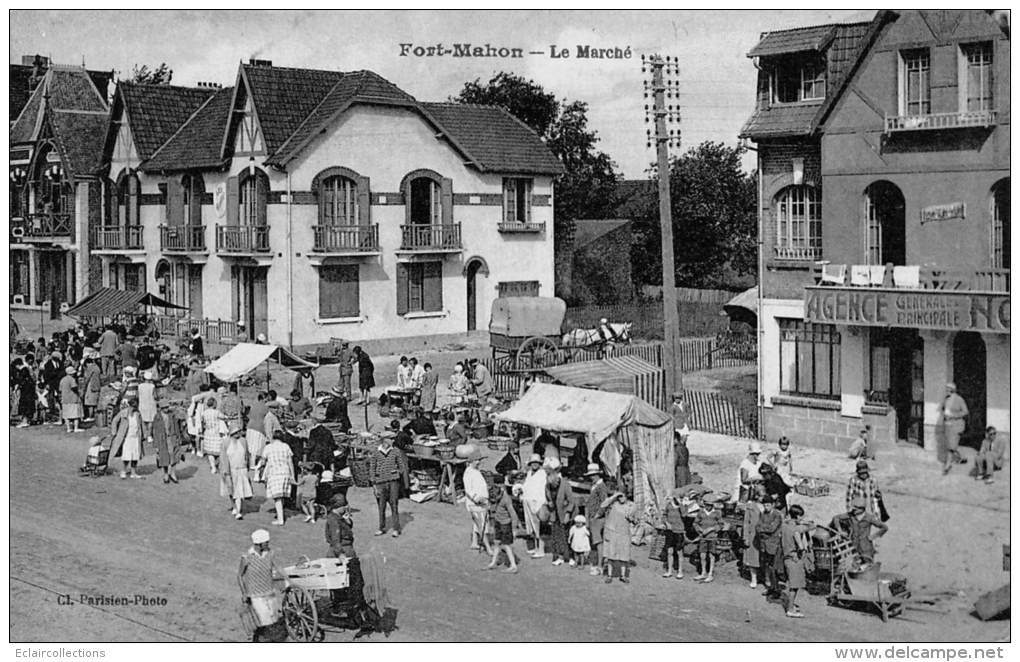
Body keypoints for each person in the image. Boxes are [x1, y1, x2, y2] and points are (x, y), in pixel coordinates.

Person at [237, 529, 287, 642]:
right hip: (255, 595)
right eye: (266, 542)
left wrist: (287, 580)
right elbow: (240, 575)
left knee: (273, 619)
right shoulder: (246, 557)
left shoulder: (270, 553)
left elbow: (278, 567)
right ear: (259, 544)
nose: (268, 544)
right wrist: (244, 593)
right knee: (263, 620)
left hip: (270, 592)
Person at [324, 494, 365, 618]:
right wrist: (341, 555)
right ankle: (339, 608)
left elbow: (346, 530)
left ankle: (349, 605)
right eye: (344, 506)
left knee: (349, 581)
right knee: (340, 583)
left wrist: (348, 521)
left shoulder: (339, 517)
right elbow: (336, 540)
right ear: (338, 506)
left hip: (347, 551)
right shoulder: (333, 520)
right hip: (340, 553)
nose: (346, 508)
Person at [369, 431, 409, 537]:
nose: (393, 441)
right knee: (381, 506)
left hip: (393, 482)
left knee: (394, 504)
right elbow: (372, 468)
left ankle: (396, 528)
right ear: (385, 440)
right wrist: (374, 484)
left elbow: (401, 466)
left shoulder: (395, 451)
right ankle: (381, 527)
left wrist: (395, 473)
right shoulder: (376, 452)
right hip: (380, 483)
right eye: (391, 439)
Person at [830, 496, 888, 565]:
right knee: (855, 567)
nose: (853, 511)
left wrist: (873, 536)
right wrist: (840, 530)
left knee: (868, 566)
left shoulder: (869, 518)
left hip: (866, 548)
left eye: (855, 510)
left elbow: (884, 527)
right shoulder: (850, 515)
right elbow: (836, 518)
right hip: (853, 547)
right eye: (853, 509)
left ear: (862, 509)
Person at [260, 430, 295, 526]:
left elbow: (263, 461)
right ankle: (280, 514)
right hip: (285, 472)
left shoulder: (268, 447)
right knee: (281, 495)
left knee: (277, 497)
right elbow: (290, 462)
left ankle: (280, 519)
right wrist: (292, 475)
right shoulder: (286, 446)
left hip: (274, 473)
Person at [600, 491, 636, 583]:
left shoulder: (631, 505)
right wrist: (614, 496)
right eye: (619, 497)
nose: (621, 498)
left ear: (626, 496)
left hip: (624, 532)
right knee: (610, 555)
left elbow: (634, 518)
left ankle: (623, 575)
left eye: (622, 496)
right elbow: (603, 505)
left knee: (624, 555)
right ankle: (609, 575)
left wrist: (632, 519)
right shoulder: (613, 504)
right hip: (612, 531)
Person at [781, 504, 810, 618]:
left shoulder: (785, 526)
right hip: (794, 558)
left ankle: (790, 605)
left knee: (791, 582)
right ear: (797, 516)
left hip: (786, 556)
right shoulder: (796, 530)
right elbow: (801, 547)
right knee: (795, 585)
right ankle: (790, 609)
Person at [545, 458, 574, 566]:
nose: (553, 487)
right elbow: (547, 497)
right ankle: (560, 557)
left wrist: (567, 514)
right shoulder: (547, 486)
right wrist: (549, 503)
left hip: (565, 513)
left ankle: (571, 557)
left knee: (567, 536)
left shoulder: (565, 485)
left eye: (555, 485)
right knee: (556, 536)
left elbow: (571, 501)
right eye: (552, 486)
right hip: (554, 514)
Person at [220, 427, 254, 519]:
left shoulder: (243, 441)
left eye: (239, 431)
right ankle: (234, 506)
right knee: (231, 490)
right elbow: (223, 458)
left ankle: (238, 511)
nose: (239, 433)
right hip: (231, 470)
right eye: (237, 432)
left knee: (238, 492)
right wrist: (226, 472)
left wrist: (247, 467)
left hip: (241, 470)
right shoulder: (226, 442)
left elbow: (247, 455)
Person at [755, 494, 784, 600]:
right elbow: (757, 527)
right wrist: (764, 529)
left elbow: (772, 528)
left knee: (774, 567)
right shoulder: (762, 514)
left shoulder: (777, 515)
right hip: (764, 544)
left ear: (773, 505)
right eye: (765, 505)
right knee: (767, 565)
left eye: (768, 505)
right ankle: (771, 587)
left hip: (774, 544)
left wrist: (763, 528)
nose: (766, 507)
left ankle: (776, 589)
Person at [463, 453, 493, 554]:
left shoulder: (476, 471)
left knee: (477, 522)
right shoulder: (468, 473)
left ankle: (474, 542)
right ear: (471, 462)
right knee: (481, 524)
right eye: (476, 460)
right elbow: (468, 490)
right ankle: (488, 547)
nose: (479, 462)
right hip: (475, 503)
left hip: (482, 501)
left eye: (479, 460)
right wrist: (478, 499)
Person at [584, 463, 610, 576]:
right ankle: (598, 563)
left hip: (598, 518)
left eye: (593, 475)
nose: (591, 477)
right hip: (593, 516)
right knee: (595, 541)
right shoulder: (594, 485)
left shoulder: (601, 486)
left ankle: (600, 565)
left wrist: (597, 515)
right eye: (591, 475)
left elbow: (605, 503)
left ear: (598, 475)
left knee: (598, 542)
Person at [939, 382, 969, 475]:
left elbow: (965, 412)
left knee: (951, 447)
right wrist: (944, 414)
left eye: (948, 389)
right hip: (947, 425)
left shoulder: (959, 399)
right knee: (951, 445)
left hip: (956, 425)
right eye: (946, 389)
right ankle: (961, 458)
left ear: (952, 390)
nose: (946, 391)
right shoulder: (946, 399)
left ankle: (947, 466)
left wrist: (954, 415)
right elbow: (943, 408)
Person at [110, 398, 144, 479]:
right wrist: (114, 432)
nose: (134, 409)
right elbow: (114, 421)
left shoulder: (138, 414)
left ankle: (133, 472)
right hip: (126, 437)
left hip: (136, 437)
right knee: (126, 456)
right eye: (133, 407)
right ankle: (123, 471)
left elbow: (141, 424)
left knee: (135, 456)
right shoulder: (124, 412)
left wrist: (143, 435)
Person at [521, 454, 547, 558]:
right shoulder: (529, 474)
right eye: (533, 463)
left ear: (540, 464)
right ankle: (535, 548)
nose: (534, 465)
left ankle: (541, 549)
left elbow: (542, 490)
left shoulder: (542, 474)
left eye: (536, 463)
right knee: (531, 526)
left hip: (537, 503)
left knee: (538, 527)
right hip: (528, 502)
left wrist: (540, 503)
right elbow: (527, 486)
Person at [152, 400, 183, 484]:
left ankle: (173, 473)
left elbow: (176, 427)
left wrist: (178, 437)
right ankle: (165, 474)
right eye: (164, 408)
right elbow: (155, 431)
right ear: (160, 408)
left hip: (172, 437)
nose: (166, 409)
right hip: (162, 439)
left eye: (167, 407)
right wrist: (156, 444)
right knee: (164, 457)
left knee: (174, 456)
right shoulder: (157, 417)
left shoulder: (172, 416)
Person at [694, 494, 724, 582]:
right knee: (702, 555)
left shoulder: (717, 513)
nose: (708, 507)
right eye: (707, 505)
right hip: (703, 537)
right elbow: (695, 523)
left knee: (711, 555)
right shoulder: (701, 512)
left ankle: (710, 573)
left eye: (710, 505)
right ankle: (703, 572)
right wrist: (699, 529)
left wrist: (712, 529)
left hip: (712, 537)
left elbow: (721, 524)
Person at [662, 487, 686, 580]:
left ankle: (680, 571)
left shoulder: (682, 506)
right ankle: (669, 570)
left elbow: (684, 515)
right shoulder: (669, 505)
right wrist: (666, 523)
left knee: (679, 552)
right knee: (669, 551)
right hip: (670, 531)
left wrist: (680, 504)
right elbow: (664, 515)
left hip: (679, 531)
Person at [742, 484, 764, 588]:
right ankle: (753, 578)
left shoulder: (767, 506)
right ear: (756, 496)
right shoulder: (750, 507)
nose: (762, 498)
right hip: (753, 535)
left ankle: (765, 577)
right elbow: (746, 523)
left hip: (764, 535)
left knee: (763, 557)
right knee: (753, 557)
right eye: (760, 496)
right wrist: (745, 537)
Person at [200, 397, 227, 474]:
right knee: (219, 450)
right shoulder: (217, 412)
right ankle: (220, 466)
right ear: (214, 404)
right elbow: (224, 417)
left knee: (210, 452)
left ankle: (213, 467)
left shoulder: (204, 413)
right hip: (216, 433)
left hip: (208, 433)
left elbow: (202, 422)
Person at [245, 392, 270, 470]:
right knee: (257, 447)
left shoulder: (253, 406)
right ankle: (254, 464)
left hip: (250, 426)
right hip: (259, 427)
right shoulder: (265, 407)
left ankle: (250, 463)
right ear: (263, 398)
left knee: (250, 446)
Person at [59, 366, 83, 433]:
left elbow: (60, 389)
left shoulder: (62, 379)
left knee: (67, 415)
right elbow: (74, 388)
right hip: (72, 398)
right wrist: (79, 393)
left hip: (65, 399)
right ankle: (76, 428)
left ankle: (68, 428)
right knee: (75, 414)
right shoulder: (72, 379)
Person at [137, 371, 158, 440]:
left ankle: (144, 434)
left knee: (143, 420)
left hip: (142, 404)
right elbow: (155, 396)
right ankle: (149, 435)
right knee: (150, 420)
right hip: (151, 404)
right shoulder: (152, 386)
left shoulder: (140, 386)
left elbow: (137, 395)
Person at [80, 357, 101, 423]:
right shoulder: (97, 367)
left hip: (91, 386)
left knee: (90, 403)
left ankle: (90, 416)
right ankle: (94, 416)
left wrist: (83, 388)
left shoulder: (91, 368)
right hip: (97, 386)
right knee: (94, 402)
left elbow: (87, 378)